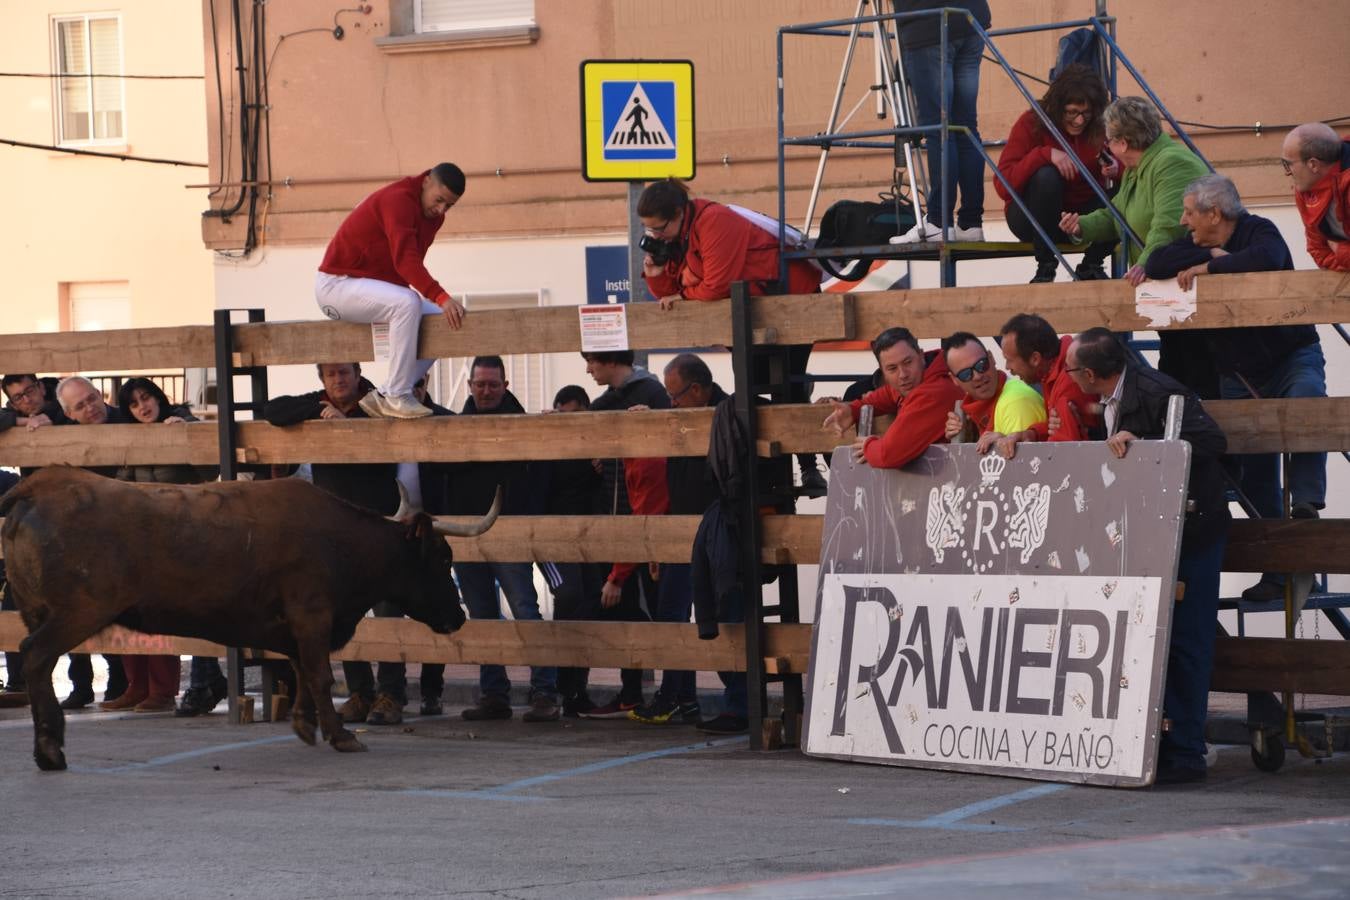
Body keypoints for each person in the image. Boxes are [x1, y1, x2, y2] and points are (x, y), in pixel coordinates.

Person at [1143, 173, 1326, 602]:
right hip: (1240, 372)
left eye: (1190, 212)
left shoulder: (1259, 229)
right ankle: (1279, 571)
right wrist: (1212, 254)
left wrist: (1209, 267)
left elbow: (1266, 256)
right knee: (1257, 473)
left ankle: (1306, 501)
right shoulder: (1195, 241)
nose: (1184, 221)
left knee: (1307, 407)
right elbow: (1156, 264)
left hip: (1290, 356)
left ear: (1214, 213)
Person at [1064, 328, 1230, 785]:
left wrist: (1149, 446)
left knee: (1186, 640)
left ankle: (1186, 753)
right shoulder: (1121, 392)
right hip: (1151, 529)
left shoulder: (1160, 393)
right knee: (1152, 636)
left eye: (1073, 370)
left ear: (1091, 373)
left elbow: (1213, 443)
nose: (1070, 377)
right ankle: (1158, 744)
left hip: (1191, 531)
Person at [263, 362, 435, 726]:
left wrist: (347, 424)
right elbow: (273, 409)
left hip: (381, 526)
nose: (338, 381)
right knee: (341, 616)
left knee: (387, 616)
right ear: (323, 380)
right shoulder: (319, 401)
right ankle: (360, 693)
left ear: (358, 375)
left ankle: (391, 694)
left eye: (344, 373)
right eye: (331, 375)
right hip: (336, 536)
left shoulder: (379, 402)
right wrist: (318, 410)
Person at [636, 178, 827, 498]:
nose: (656, 236)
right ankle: (783, 471)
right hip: (755, 316)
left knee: (785, 388)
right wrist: (657, 276)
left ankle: (808, 469)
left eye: (660, 228)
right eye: (649, 230)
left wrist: (685, 291)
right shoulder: (683, 232)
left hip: (792, 303)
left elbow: (717, 285)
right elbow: (675, 294)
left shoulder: (714, 221)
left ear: (680, 213)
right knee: (758, 391)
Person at [1060, 96, 1210, 392]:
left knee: (1193, 373)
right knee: (1176, 369)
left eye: (1109, 142)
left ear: (1123, 143)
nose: (1108, 149)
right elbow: (1117, 215)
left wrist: (1145, 263)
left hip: (1188, 290)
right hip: (1169, 288)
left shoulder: (1170, 163)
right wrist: (1081, 226)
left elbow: (1167, 226)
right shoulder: (1138, 167)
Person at [446, 356, 560, 723]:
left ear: (506, 385)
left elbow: (541, 479)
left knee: (525, 610)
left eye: (493, 384)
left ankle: (545, 692)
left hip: (510, 532)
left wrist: (528, 523)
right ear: (470, 386)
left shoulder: (525, 426)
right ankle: (494, 694)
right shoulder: (455, 428)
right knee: (480, 617)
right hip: (467, 535)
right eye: (480, 384)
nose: (486, 390)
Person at [315, 163, 468, 419]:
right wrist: (441, 296)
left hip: (366, 286)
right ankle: (396, 394)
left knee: (442, 320)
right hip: (335, 285)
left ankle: (388, 393)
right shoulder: (397, 200)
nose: (441, 210)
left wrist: (436, 304)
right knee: (407, 303)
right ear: (426, 181)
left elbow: (405, 267)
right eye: (439, 200)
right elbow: (406, 261)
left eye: (449, 206)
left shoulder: (433, 217)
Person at [102, 378, 215, 713]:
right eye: (134, 404)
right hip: (141, 538)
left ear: (158, 397)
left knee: (165, 610)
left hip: (182, 535)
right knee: (132, 608)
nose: (143, 407)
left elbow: (212, 468)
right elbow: (122, 485)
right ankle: (137, 686)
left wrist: (186, 435)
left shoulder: (182, 421)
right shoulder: (131, 437)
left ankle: (163, 690)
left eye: (146, 397)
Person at [630, 354, 729, 727]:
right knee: (672, 614)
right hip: (679, 531)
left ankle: (726, 695)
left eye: (676, 396)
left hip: (715, 531)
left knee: (718, 615)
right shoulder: (679, 416)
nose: (671, 403)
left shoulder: (725, 414)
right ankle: (679, 695)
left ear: (698, 389)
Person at [581, 349, 671, 718]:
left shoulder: (650, 394)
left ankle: (672, 695)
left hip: (644, 526)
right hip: (622, 519)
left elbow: (649, 492)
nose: (588, 369)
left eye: (592, 361)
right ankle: (635, 693)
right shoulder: (609, 402)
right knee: (632, 613)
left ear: (610, 361)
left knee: (659, 614)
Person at [995, 63, 1114, 282]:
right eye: (1072, 112)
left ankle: (1091, 265)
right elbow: (1003, 185)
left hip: (1081, 219)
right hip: (1032, 217)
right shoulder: (1031, 122)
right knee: (1046, 175)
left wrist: (1116, 169)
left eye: (1086, 114)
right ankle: (1045, 266)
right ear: (1057, 107)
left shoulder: (1099, 126)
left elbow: (1125, 163)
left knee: (1126, 193)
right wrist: (1044, 155)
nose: (1079, 120)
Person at [532, 385, 609, 717]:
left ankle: (574, 689)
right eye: (563, 416)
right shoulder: (548, 444)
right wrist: (540, 427)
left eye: (575, 416)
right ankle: (555, 684)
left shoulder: (597, 444)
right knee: (568, 595)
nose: (570, 423)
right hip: (551, 537)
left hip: (588, 537)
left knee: (590, 602)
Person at [890, 0, 991, 243]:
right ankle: (970, 223)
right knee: (965, 127)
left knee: (940, 128)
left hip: (928, 26)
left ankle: (938, 221)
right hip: (969, 18)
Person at [822, 327, 965, 469]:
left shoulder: (934, 392)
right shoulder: (920, 377)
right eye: (892, 369)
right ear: (882, 372)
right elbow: (889, 393)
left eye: (908, 362)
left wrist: (869, 446)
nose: (903, 374)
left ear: (921, 355)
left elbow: (887, 455)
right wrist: (854, 410)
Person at [996, 313, 1099, 457]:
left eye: (1009, 360)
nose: (1007, 367)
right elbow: (1058, 427)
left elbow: (1062, 453)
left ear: (1035, 359)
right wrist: (1032, 434)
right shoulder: (1052, 370)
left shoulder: (1070, 381)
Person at [941, 332, 1047, 453]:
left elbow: (1021, 466)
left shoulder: (1015, 401)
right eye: (965, 374)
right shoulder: (974, 411)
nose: (977, 376)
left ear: (991, 358)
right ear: (954, 380)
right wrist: (966, 436)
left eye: (981, 365)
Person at [1282, 122, 1350, 272]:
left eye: (1288, 164)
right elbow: (1317, 250)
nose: (1287, 173)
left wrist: (1339, 251)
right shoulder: (1305, 189)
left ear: (1313, 164)